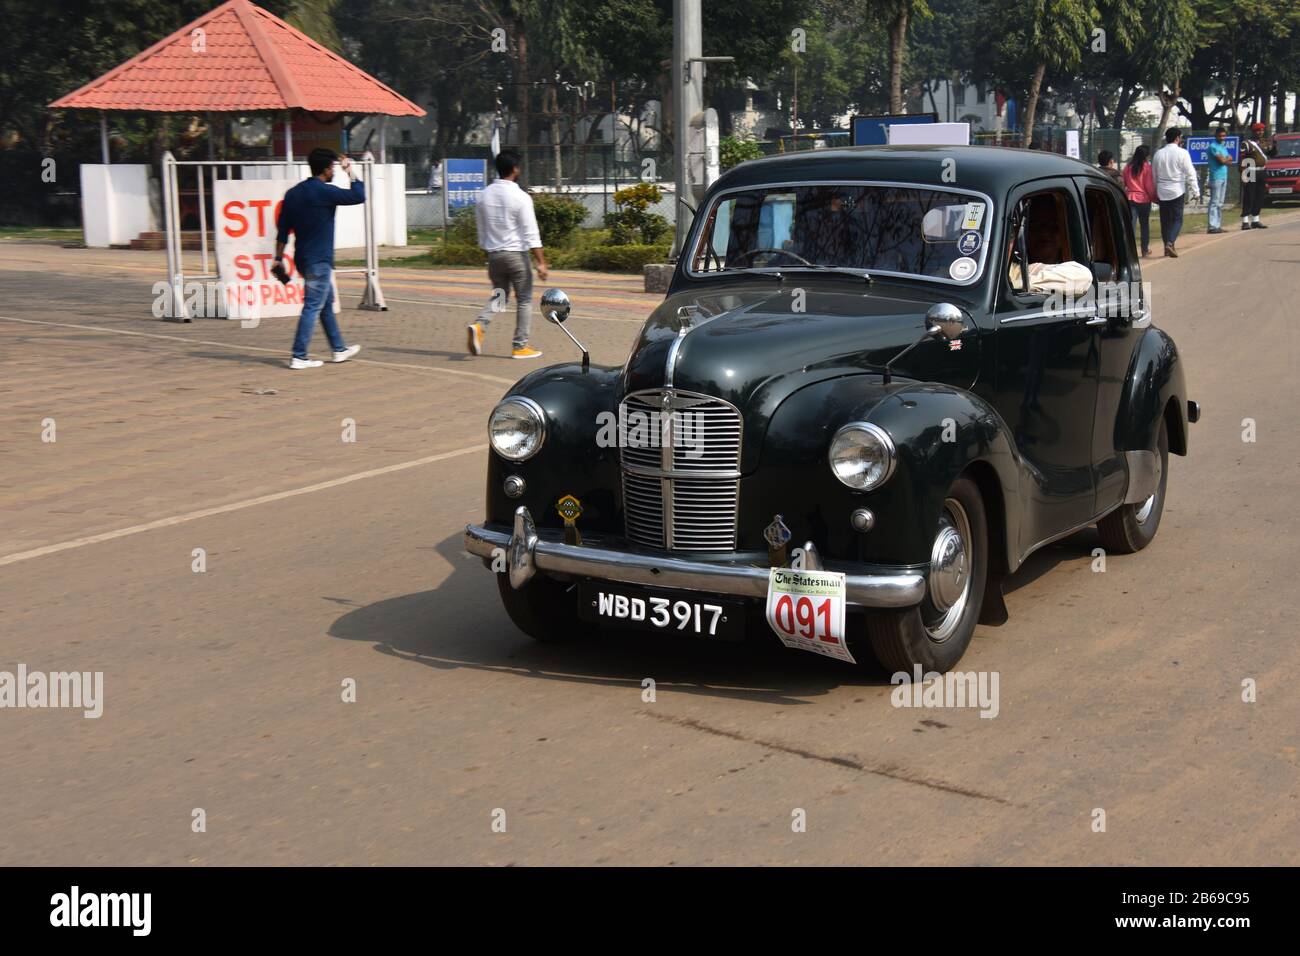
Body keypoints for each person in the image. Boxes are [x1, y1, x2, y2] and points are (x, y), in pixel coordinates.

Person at [274, 148, 365, 370]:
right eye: (333, 167)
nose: (333, 171)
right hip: (319, 261)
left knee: (324, 304)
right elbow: (358, 195)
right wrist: (350, 171)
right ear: (326, 169)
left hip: (303, 259)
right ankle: (299, 355)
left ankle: (338, 349)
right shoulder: (324, 192)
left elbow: (283, 230)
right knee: (313, 306)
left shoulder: (293, 194)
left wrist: (278, 258)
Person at [466, 151, 549, 359]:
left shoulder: (484, 195)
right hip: (516, 257)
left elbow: (482, 230)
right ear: (515, 169)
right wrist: (541, 262)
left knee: (500, 296)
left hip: (494, 256)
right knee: (524, 300)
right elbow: (531, 232)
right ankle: (520, 345)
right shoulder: (521, 197)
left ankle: (479, 325)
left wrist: (489, 250)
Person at [1152, 127, 1200, 258]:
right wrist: (1196, 191)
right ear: (1177, 138)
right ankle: (1170, 242)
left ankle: (1166, 247)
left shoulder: (1158, 154)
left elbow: (1154, 175)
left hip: (1162, 190)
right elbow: (1191, 173)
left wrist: (1157, 190)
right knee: (1177, 219)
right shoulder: (1183, 153)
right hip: (1177, 190)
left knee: (1165, 221)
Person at [1122, 145, 1156, 256]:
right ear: (1146, 155)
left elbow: (1124, 183)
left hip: (1131, 198)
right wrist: (1153, 197)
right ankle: (1144, 249)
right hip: (1144, 199)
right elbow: (1149, 186)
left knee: (1131, 226)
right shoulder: (1147, 167)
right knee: (1144, 225)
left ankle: (1129, 251)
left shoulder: (1128, 167)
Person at [1239, 122, 1270, 230]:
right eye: (1258, 130)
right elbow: (1243, 160)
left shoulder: (1264, 142)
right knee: (1249, 196)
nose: (1260, 132)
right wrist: (1243, 175)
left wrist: (1274, 144)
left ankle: (1255, 219)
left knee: (1260, 195)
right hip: (1251, 170)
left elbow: (1272, 153)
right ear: (1253, 132)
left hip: (1262, 171)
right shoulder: (1247, 143)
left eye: (1262, 130)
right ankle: (1245, 221)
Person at [1205, 127, 1233, 233]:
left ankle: (1217, 225)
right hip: (1216, 176)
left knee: (1220, 202)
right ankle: (1212, 226)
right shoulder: (1213, 146)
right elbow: (1222, 160)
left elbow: (1229, 161)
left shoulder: (1223, 147)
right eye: (1220, 136)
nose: (1222, 138)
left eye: (1224, 136)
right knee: (1214, 201)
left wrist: (1226, 159)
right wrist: (1227, 159)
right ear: (1216, 135)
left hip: (1223, 176)